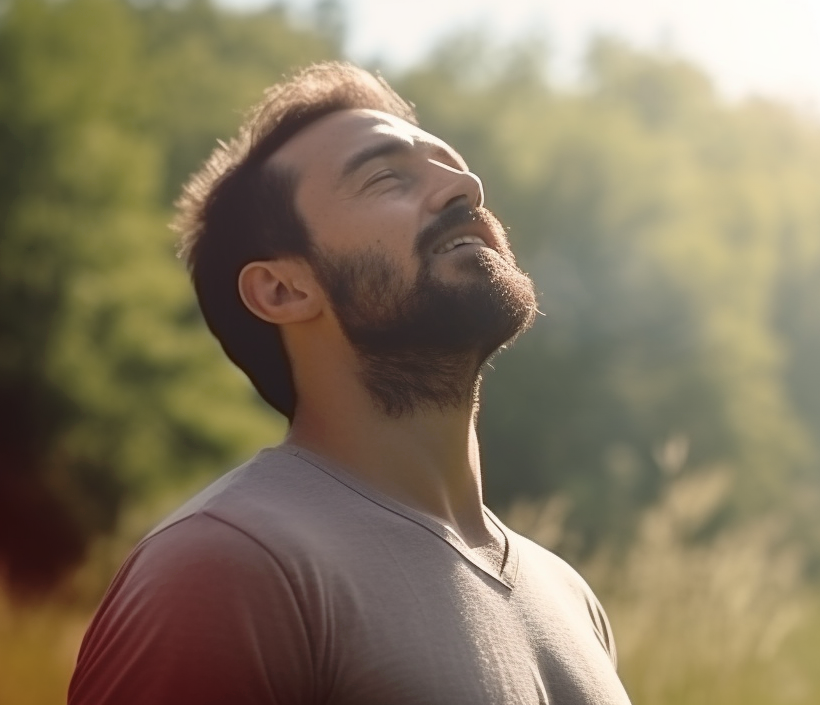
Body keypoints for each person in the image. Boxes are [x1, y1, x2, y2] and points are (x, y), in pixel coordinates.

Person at [68, 62, 632, 705]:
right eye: (387, 176)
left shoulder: (566, 594)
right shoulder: (226, 568)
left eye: (456, 166)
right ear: (283, 288)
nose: (466, 186)